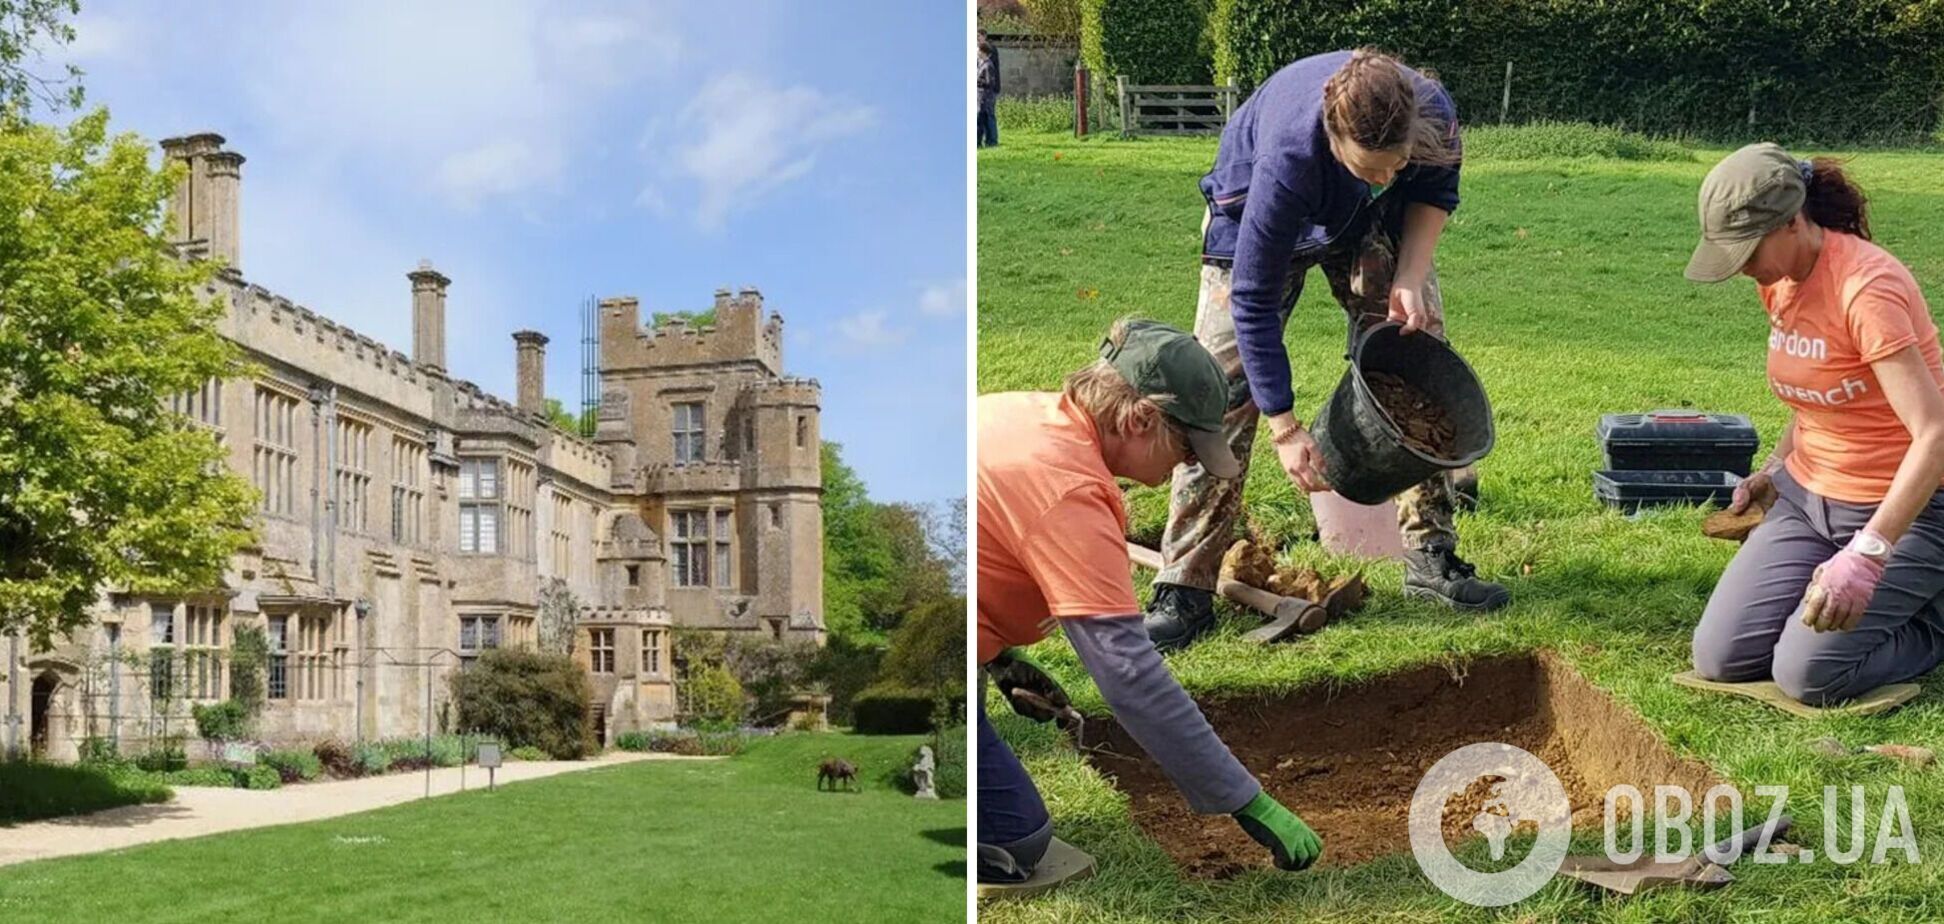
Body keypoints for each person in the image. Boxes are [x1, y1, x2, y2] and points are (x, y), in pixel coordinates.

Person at [1145, 48, 1510, 652]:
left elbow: (1432, 194)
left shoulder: (1433, 115)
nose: (1385, 177)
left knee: (1418, 349)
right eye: (1371, 169)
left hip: (1368, 224)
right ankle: (1185, 586)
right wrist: (1285, 426)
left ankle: (1431, 557)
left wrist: (1410, 275)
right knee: (1216, 386)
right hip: (1255, 220)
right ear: (1335, 139)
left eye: (1395, 165)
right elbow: (1254, 301)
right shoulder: (1290, 157)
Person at [977, 319, 1323, 884]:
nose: (1183, 468)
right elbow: (1130, 674)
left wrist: (995, 658)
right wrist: (1247, 801)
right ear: (1140, 419)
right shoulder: (1071, 495)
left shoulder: (1023, 412)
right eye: (1187, 447)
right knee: (1018, 840)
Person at [1687, 143, 1944, 705]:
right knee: (1719, 658)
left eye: (1747, 250)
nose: (1741, 268)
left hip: (1905, 510)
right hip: (1808, 501)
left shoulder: (1866, 288)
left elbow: (1935, 435)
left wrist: (1869, 553)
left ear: (1791, 222)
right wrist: (1775, 470)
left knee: (1807, 675)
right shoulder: (1778, 281)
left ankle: (1934, 619)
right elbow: (1813, 396)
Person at [976, 30, 999, 148]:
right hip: (981, 96)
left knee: (988, 117)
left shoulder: (988, 65)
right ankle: (979, 142)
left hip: (986, 96)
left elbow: (989, 82)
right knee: (981, 119)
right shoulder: (982, 64)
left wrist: (977, 81)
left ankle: (992, 141)